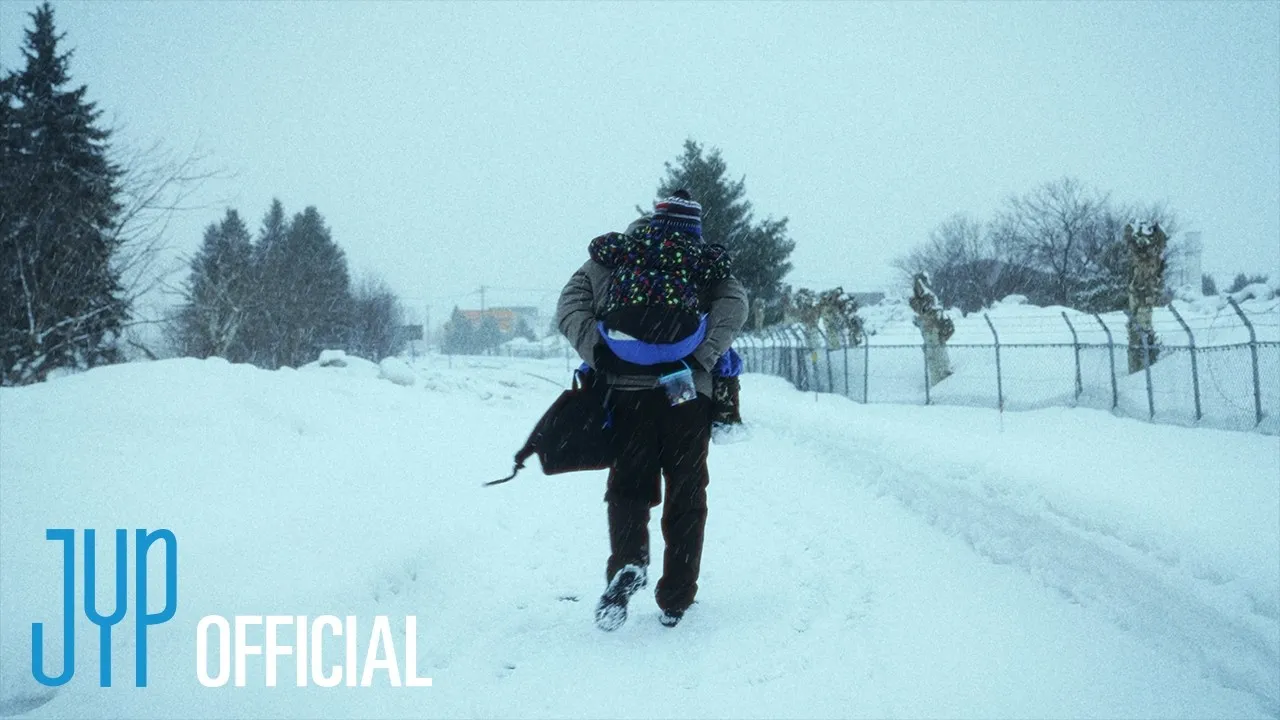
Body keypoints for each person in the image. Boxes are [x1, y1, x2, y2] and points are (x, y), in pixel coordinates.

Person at [556, 190, 748, 630]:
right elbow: (736, 305)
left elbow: (570, 305)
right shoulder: (702, 261)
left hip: (626, 394)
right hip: (686, 393)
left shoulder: (616, 256)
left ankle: (628, 561)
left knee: (629, 486)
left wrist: (600, 353)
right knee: (687, 491)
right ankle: (677, 596)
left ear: (650, 220)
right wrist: (701, 357)